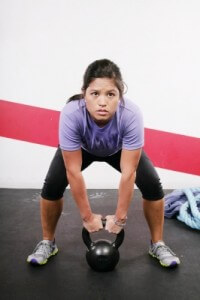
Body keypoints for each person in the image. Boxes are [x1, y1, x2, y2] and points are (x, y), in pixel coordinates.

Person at [27, 59, 180, 268]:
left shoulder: (131, 115)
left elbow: (128, 173)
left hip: (119, 150)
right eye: (95, 93)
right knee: (52, 184)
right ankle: (47, 242)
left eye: (110, 94)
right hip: (83, 149)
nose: (102, 101)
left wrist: (119, 218)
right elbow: (73, 171)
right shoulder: (72, 113)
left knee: (153, 184)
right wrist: (87, 217)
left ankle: (158, 244)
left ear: (120, 95)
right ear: (84, 93)